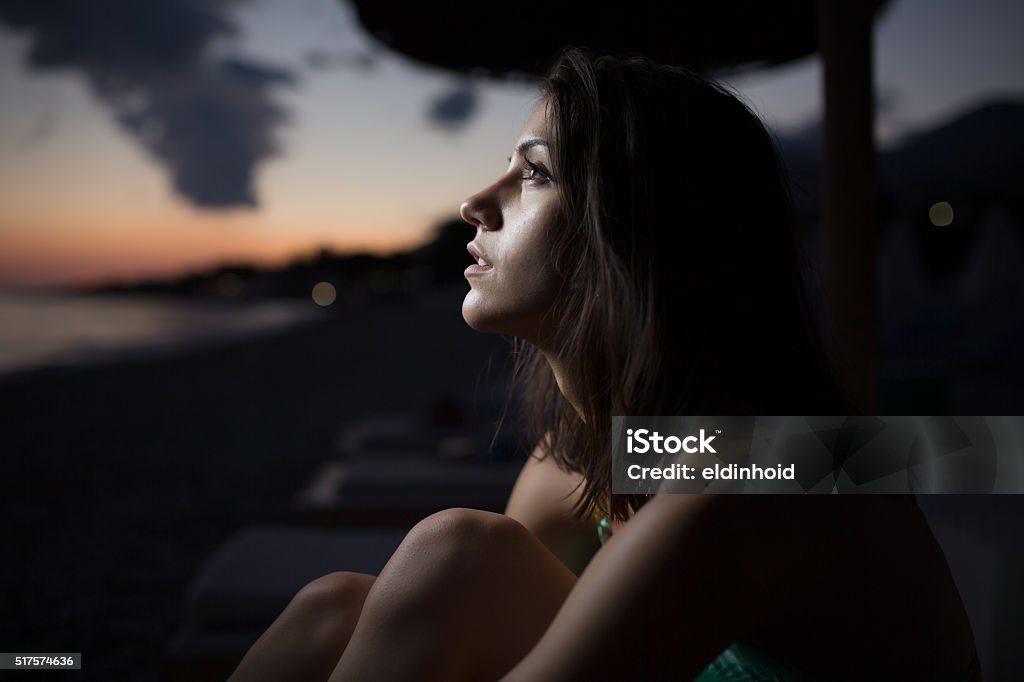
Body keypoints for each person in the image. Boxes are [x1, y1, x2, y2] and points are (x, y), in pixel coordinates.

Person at [228, 48, 980, 681]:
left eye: (535, 175)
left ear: (636, 235)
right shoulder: (583, 461)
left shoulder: (760, 476)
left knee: (458, 552)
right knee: (336, 607)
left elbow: (930, 460)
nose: (473, 203)